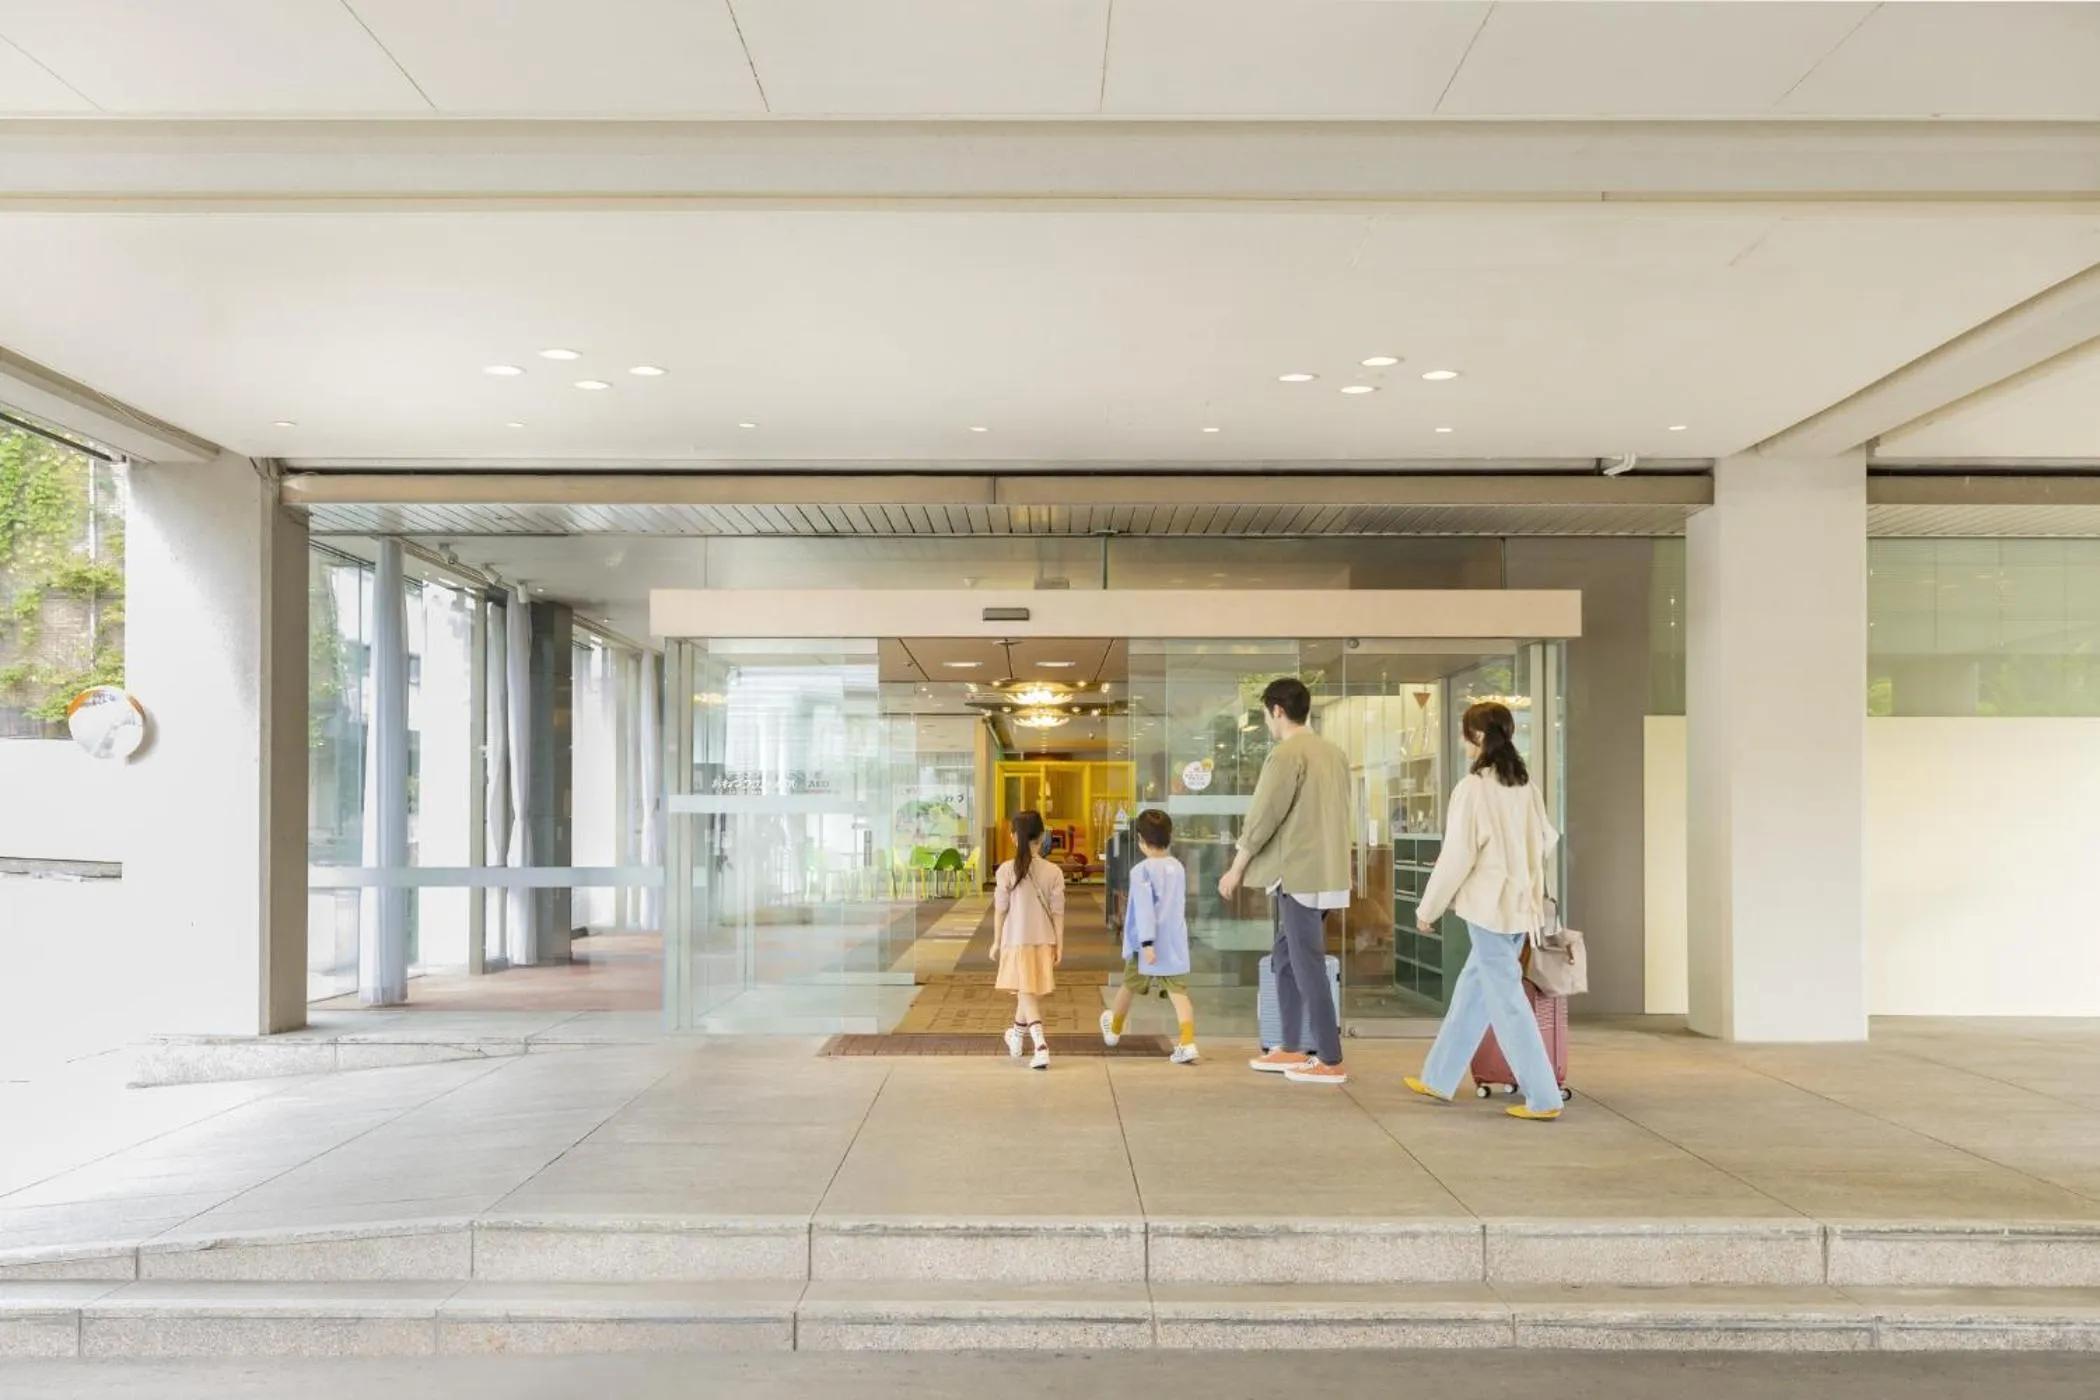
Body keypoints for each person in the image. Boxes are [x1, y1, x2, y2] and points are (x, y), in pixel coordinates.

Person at [1405, 701, 1566, 1121]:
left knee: (1507, 1001)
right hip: (1521, 907)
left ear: (1475, 738)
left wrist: (1429, 909)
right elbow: (1546, 842)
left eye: (1463, 734)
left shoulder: (1473, 788)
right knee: (1475, 991)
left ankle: (1544, 1096)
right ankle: (1439, 1076)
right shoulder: (1526, 788)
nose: (1462, 743)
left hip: (1490, 908)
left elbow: (1456, 856)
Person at [1219, 677, 1353, 1086]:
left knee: (1306, 963)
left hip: (1300, 874)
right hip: (1328, 873)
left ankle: (1330, 1059)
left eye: (1266, 714)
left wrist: (1236, 868)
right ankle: (1291, 1046)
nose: (1267, 721)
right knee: (1284, 959)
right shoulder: (1334, 753)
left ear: (1277, 710)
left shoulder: (1286, 755)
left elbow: (1263, 817)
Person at [1100, 809, 1199, 1065]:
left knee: (1129, 985)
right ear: (1170, 836)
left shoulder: (1141, 871)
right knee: (1179, 994)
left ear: (1141, 840)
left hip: (1145, 945)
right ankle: (1187, 1043)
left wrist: (1146, 943)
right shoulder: (1177, 867)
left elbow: (1144, 910)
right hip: (1174, 942)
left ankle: (1114, 1030)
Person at [993, 808, 1065, 1071]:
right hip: (1044, 941)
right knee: (1027, 992)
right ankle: (1015, 1036)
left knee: (1026, 992)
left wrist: (996, 941)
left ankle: (1041, 1046)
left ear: (1013, 837)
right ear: (1042, 836)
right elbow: (1058, 912)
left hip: (1015, 941)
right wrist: (1059, 943)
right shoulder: (1054, 871)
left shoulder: (1005, 871)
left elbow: (1001, 911)